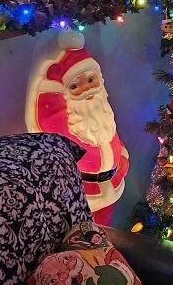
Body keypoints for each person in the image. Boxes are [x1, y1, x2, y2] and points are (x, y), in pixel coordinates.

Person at [25, 31, 129, 223]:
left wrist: (122, 157)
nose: (87, 89)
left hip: (113, 186)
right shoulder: (65, 122)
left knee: (107, 231)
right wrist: (52, 85)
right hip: (83, 195)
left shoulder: (101, 109)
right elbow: (47, 116)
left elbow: (110, 132)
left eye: (91, 80)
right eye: (75, 86)